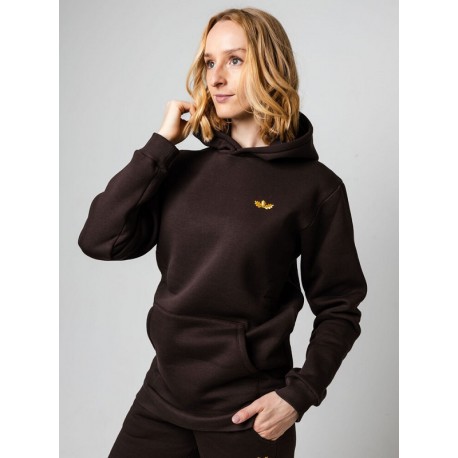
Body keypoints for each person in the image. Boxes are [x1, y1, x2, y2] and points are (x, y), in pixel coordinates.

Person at [78, 7, 367, 458]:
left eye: (234, 60)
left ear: (271, 66)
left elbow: (339, 307)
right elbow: (99, 239)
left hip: (246, 415)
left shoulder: (316, 187)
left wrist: (300, 394)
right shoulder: (180, 168)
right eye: (209, 62)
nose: (216, 77)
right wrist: (160, 146)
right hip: (162, 399)